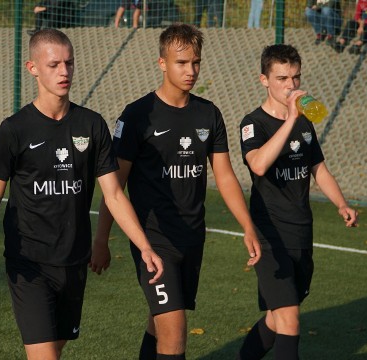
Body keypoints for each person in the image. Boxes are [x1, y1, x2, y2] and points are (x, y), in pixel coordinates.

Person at [0, 29, 163, 360]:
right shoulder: (13, 130)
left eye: (69, 63)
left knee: (55, 351)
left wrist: (145, 246)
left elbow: (114, 194)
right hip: (29, 264)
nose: (64, 72)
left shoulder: (91, 125)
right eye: (54, 64)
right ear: (32, 68)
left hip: (74, 262)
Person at [92, 24, 261, 360]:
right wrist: (101, 241)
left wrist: (248, 225)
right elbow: (115, 186)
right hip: (154, 241)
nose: (191, 71)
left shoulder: (208, 114)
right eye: (182, 63)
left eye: (195, 62)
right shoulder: (138, 115)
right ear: (162, 63)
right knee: (174, 335)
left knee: (158, 326)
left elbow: (225, 176)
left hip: (192, 238)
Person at [236, 44, 359, 359]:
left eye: (295, 77)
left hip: (302, 231)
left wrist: (341, 204)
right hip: (269, 233)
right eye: (281, 78)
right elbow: (259, 165)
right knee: (290, 320)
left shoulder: (305, 123)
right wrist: (290, 118)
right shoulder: (254, 123)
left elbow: (319, 169)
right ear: (264, 80)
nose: (290, 85)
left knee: (276, 319)